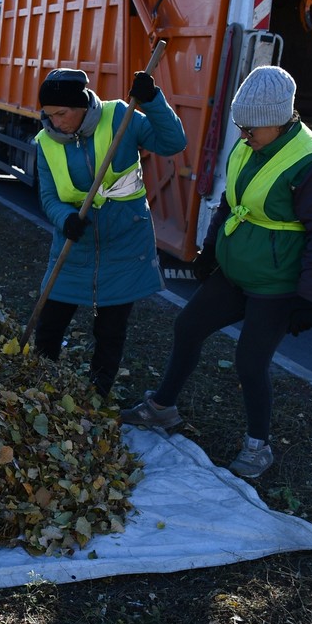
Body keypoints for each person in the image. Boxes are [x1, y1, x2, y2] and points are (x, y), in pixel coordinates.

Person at [120, 65, 312, 478]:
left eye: (252, 128)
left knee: (249, 362)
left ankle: (258, 447)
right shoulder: (249, 144)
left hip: (276, 285)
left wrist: (307, 298)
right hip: (236, 271)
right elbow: (230, 200)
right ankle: (162, 408)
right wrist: (209, 250)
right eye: (241, 126)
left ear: (280, 119)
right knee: (188, 326)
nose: (244, 134)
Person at [32, 67, 188, 398]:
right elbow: (48, 196)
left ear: (82, 105)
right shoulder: (45, 142)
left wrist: (153, 100)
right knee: (49, 325)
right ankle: (37, 390)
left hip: (125, 244)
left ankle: (96, 395)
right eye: (49, 115)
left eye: (62, 113)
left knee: (110, 331)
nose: (55, 122)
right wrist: (66, 218)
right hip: (74, 245)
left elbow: (173, 142)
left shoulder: (120, 115)